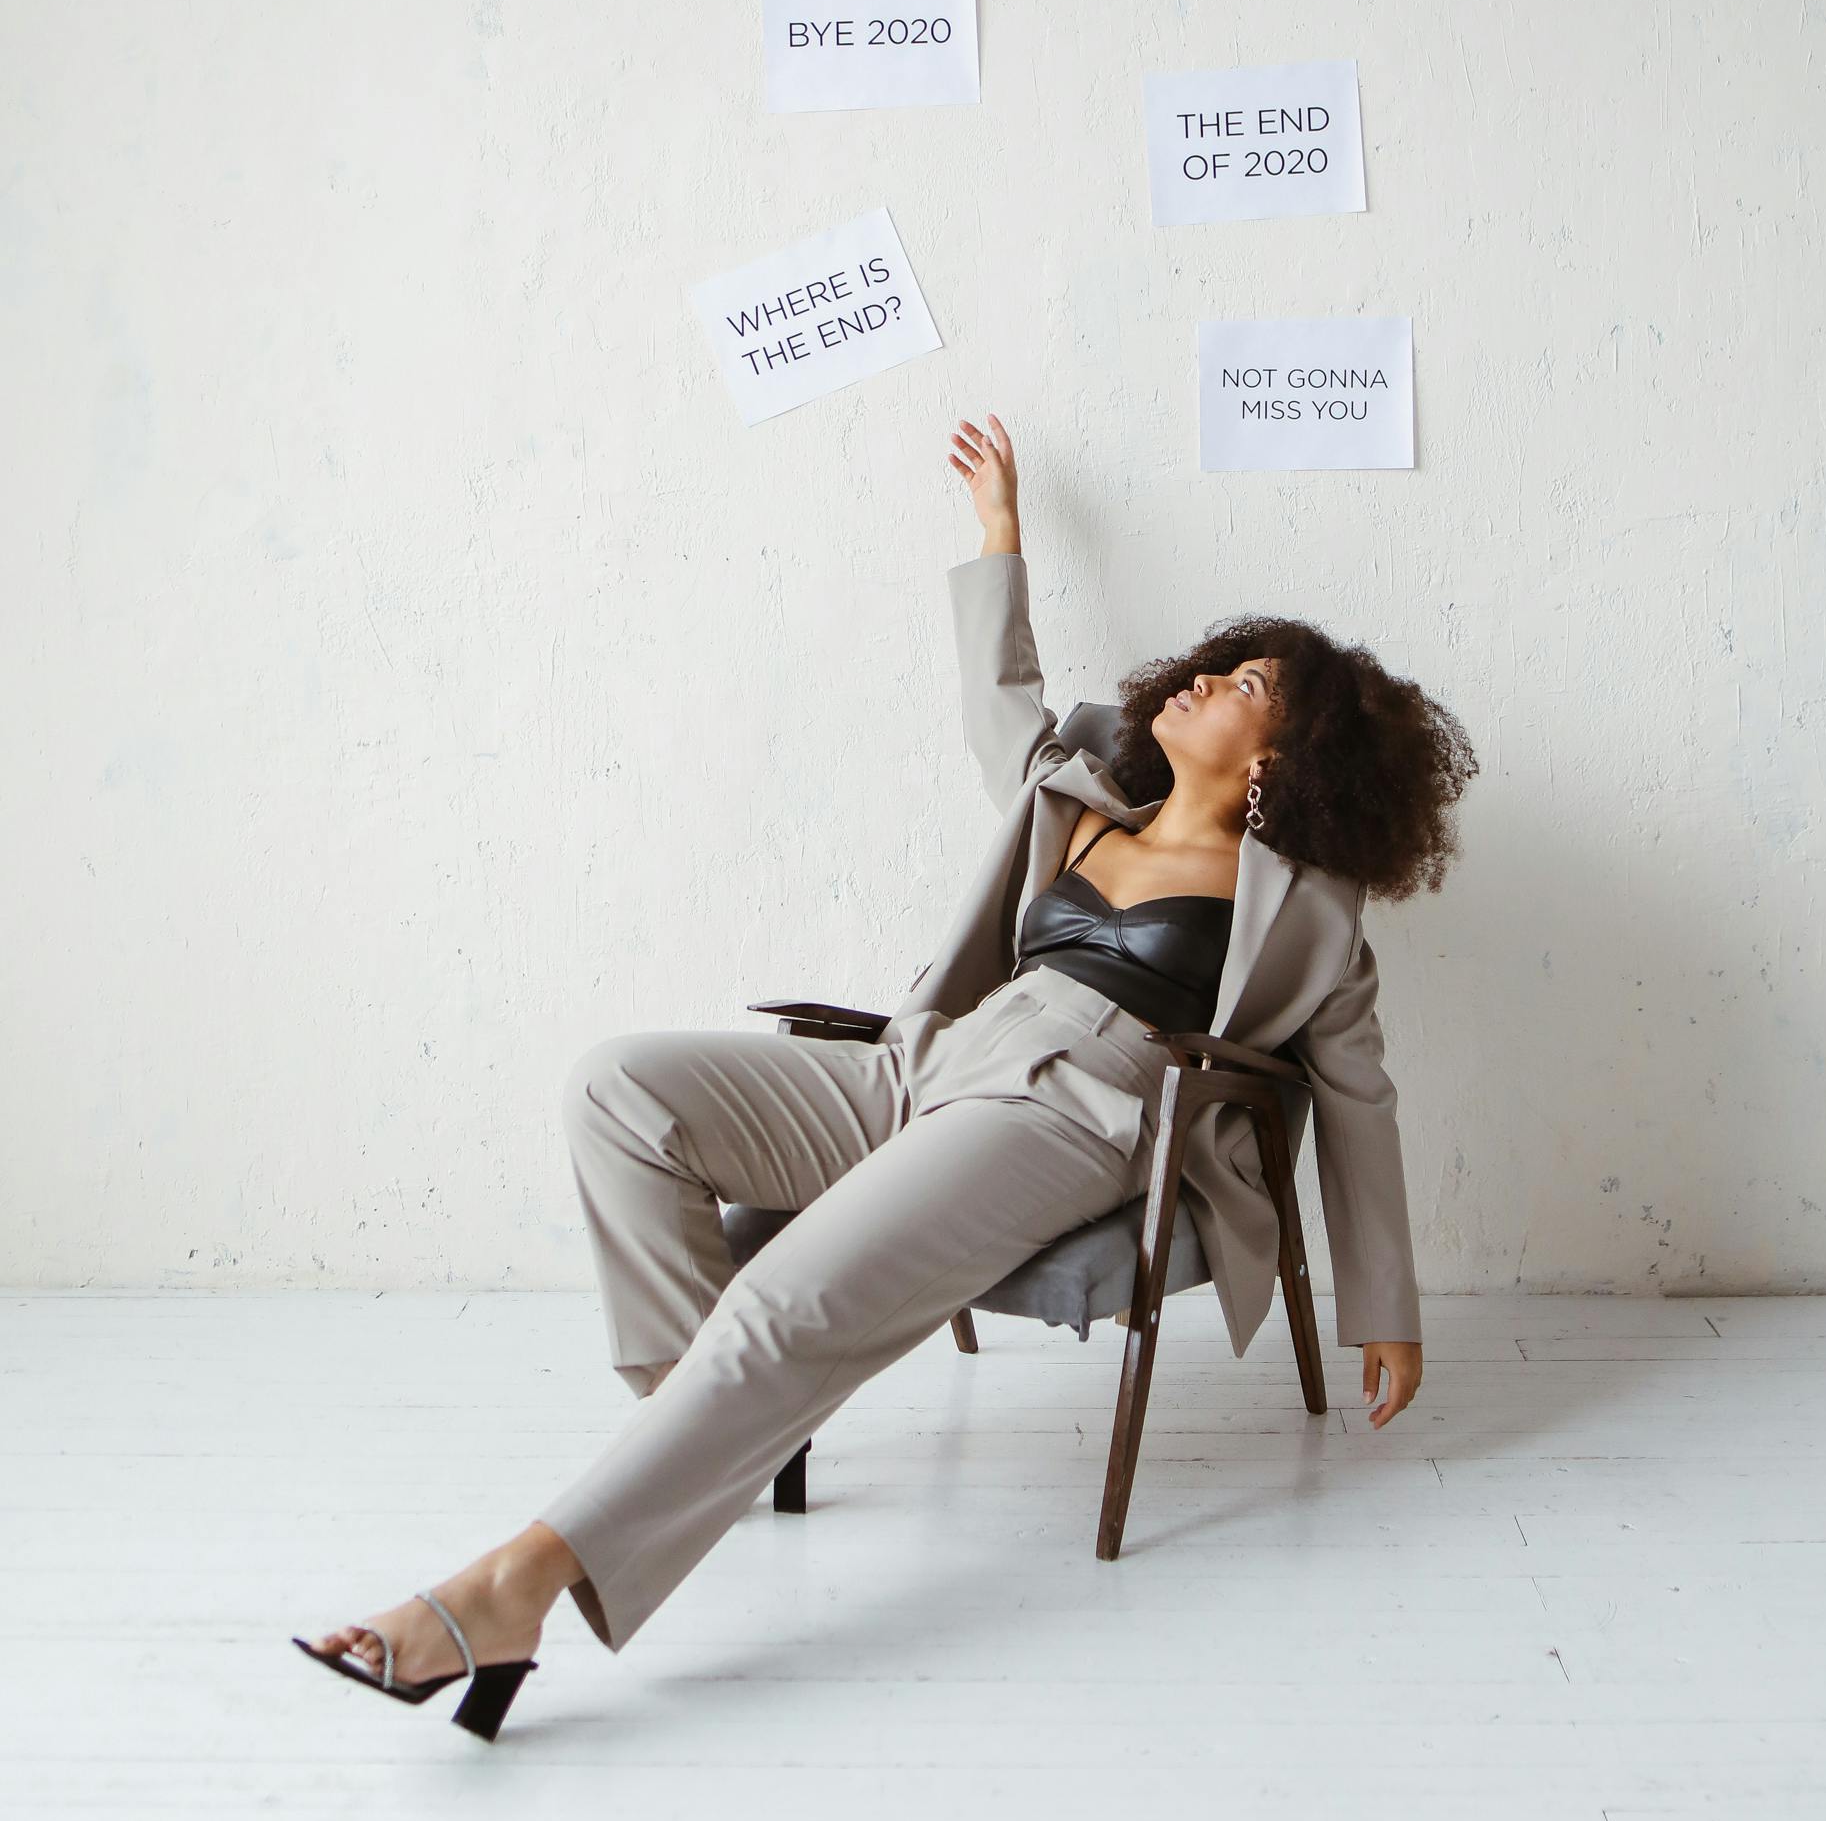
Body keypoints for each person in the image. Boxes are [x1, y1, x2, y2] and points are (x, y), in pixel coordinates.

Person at [295, 410, 1476, 1735]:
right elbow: (1003, 710)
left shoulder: (1306, 907)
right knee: (619, 1090)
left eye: (1250, 684)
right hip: (934, 1061)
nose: (1208, 678)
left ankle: (509, 1591)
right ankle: (711, 1434)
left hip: (1073, 1108)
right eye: (1224, 663)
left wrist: (1390, 1306)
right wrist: (999, 539)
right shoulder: (1083, 793)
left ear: (1278, 759)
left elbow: (1356, 1094)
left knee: (786, 1301)